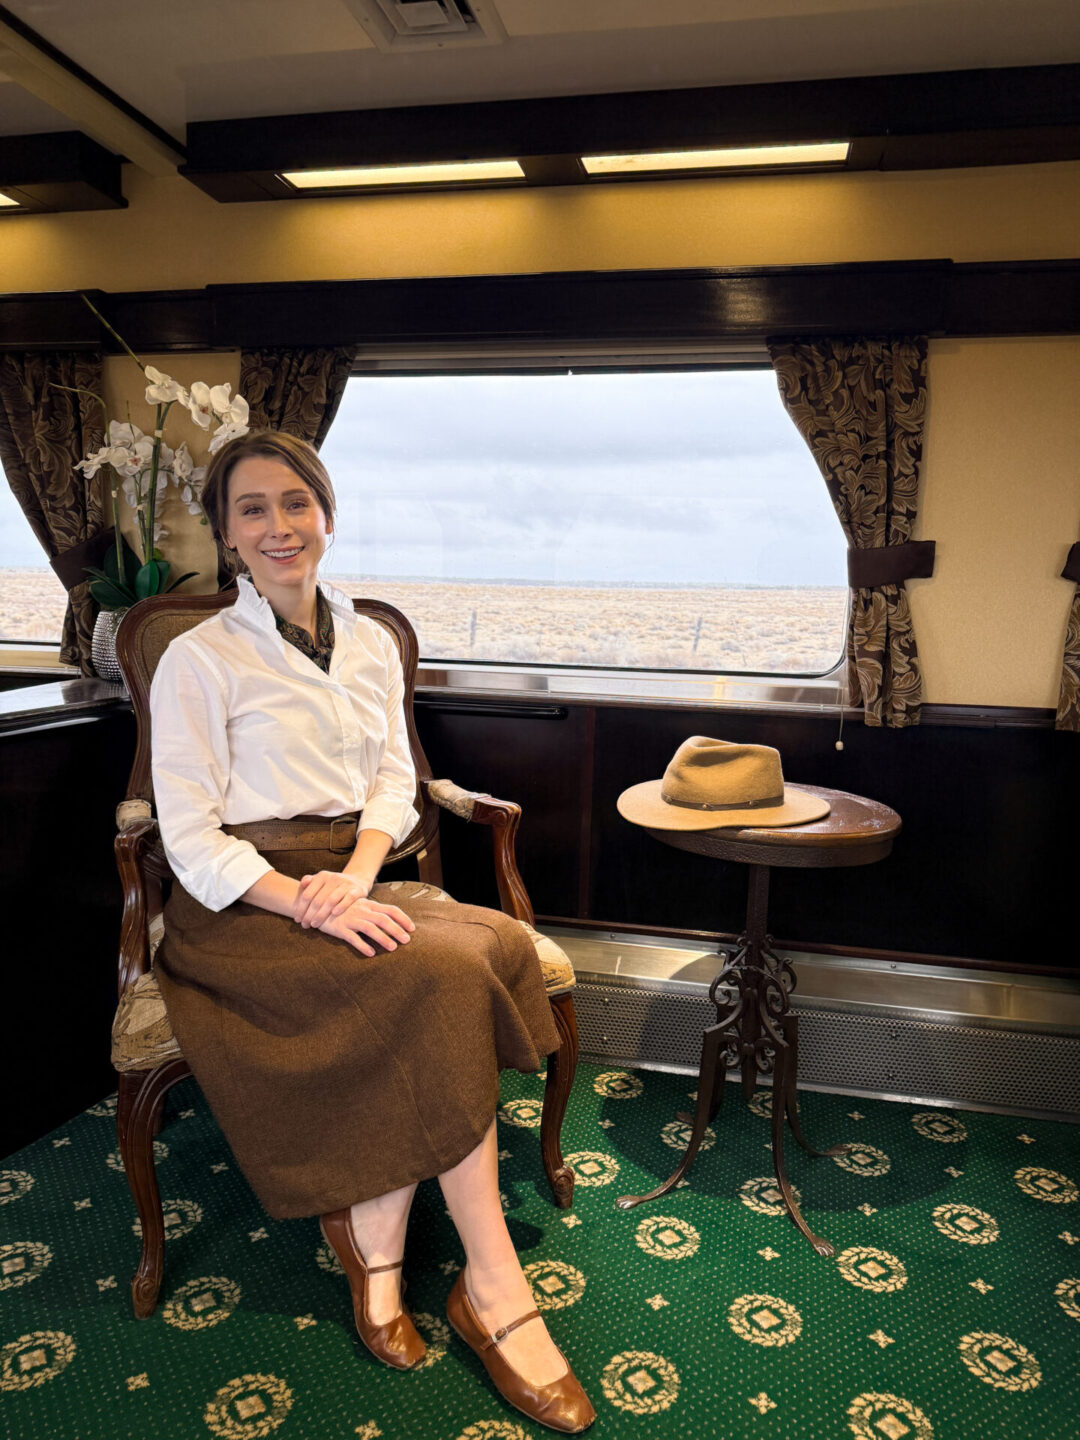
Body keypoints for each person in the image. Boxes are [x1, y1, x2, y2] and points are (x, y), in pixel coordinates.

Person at [149, 430, 595, 1434]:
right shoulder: (197, 659)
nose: (278, 527)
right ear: (225, 534)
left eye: (295, 504)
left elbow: (395, 784)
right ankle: (492, 1286)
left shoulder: (373, 640)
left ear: (328, 515)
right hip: (240, 912)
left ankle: (380, 1225)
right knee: (434, 976)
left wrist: (353, 879)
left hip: (348, 880)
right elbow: (187, 837)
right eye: (253, 509)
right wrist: (302, 900)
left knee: (493, 948)